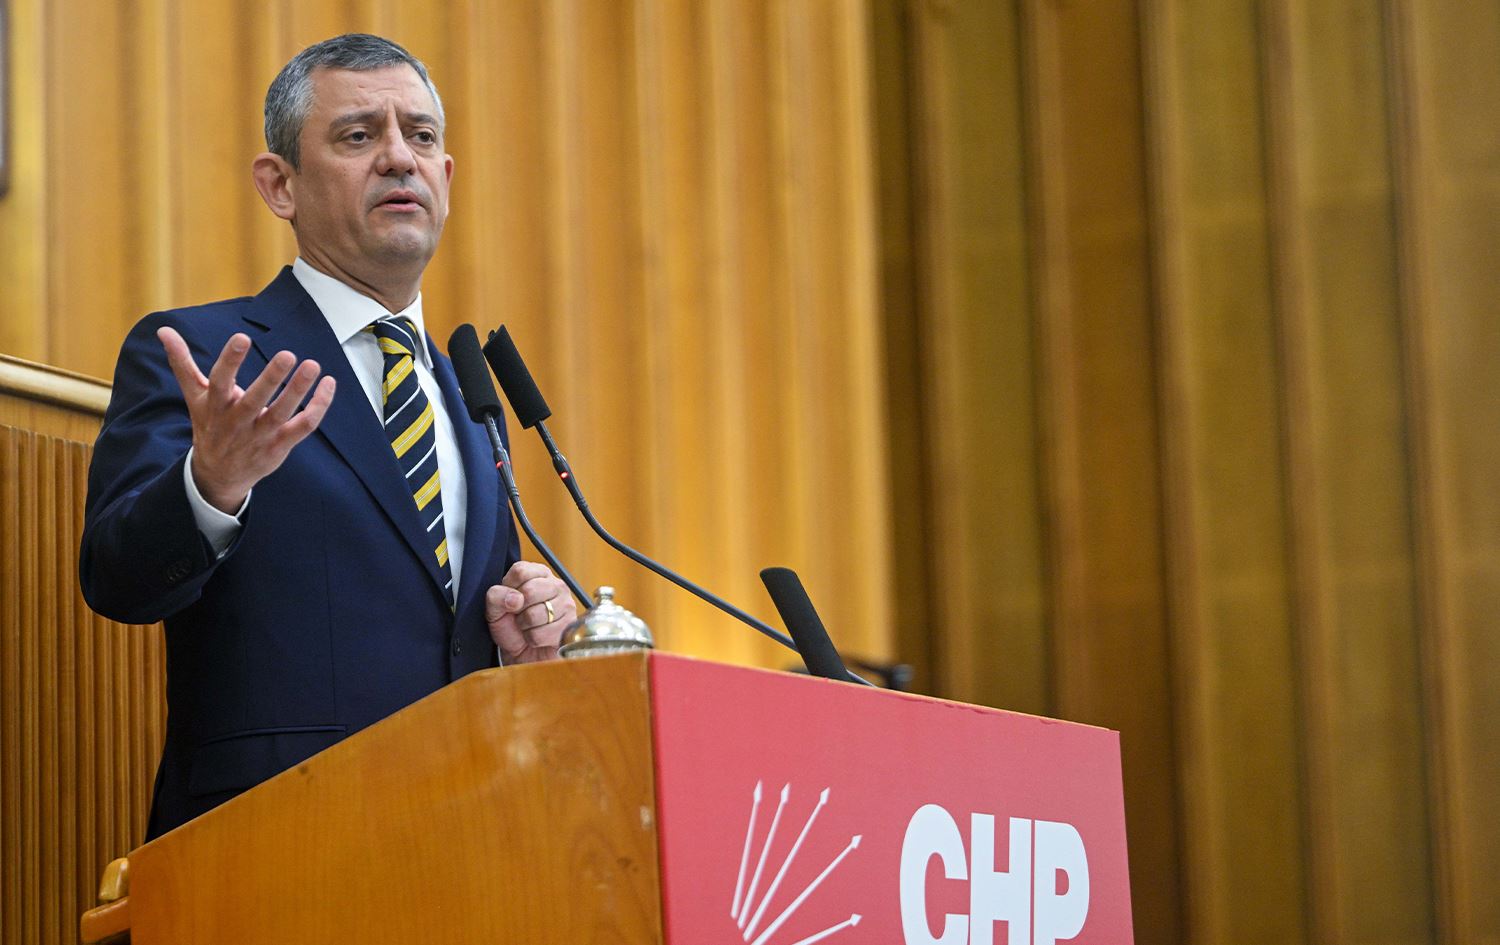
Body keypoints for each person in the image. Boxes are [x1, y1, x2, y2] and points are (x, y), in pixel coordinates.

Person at [79, 33, 577, 839]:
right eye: (357, 135)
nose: (399, 157)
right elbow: (118, 580)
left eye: (421, 136)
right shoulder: (204, 356)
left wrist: (524, 644)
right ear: (280, 185)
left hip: (471, 839)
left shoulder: (468, 394)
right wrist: (211, 485)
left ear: (446, 178)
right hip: (277, 841)